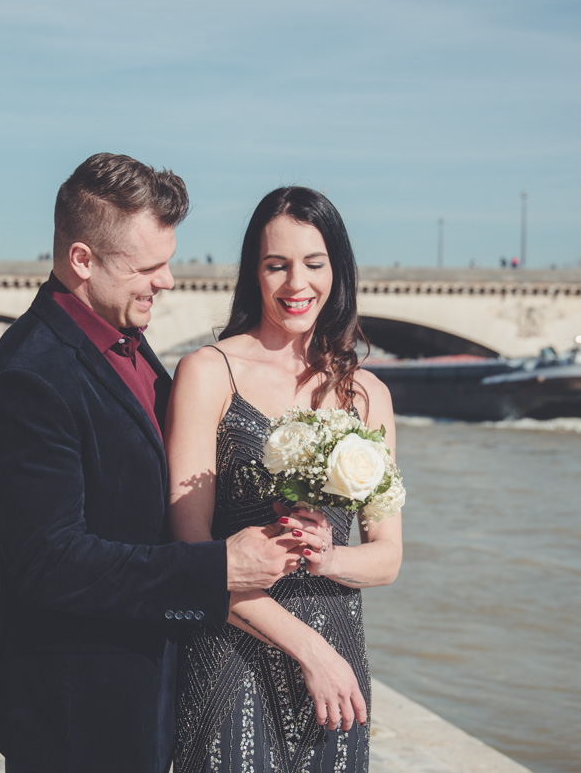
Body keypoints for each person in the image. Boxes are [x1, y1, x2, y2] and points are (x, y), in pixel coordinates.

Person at [0, 154, 317, 773]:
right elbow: (49, 562)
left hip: (147, 692)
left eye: (168, 260)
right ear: (82, 260)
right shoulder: (27, 378)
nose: (169, 280)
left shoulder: (123, 340)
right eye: (148, 266)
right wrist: (219, 566)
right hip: (78, 711)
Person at [167, 186, 404, 772]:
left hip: (337, 672)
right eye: (277, 265)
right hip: (234, 656)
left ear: (337, 270)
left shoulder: (368, 395)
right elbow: (189, 552)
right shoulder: (209, 372)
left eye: (313, 264)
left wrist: (327, 560)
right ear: (255, 272)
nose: (296, 284)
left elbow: (389, 557)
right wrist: (309, 650)